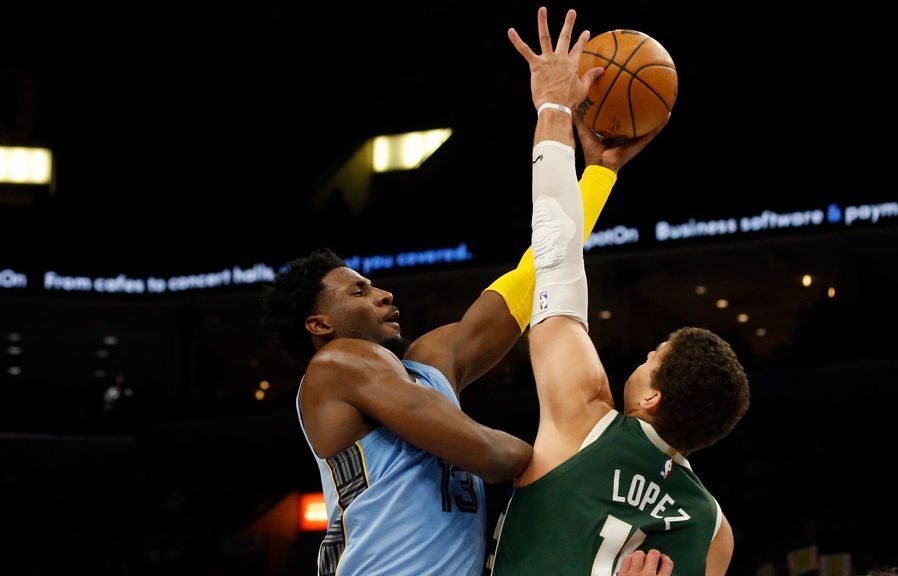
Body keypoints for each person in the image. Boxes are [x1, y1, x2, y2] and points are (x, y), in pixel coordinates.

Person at [260, 31, 657, 576]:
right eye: (359, 291)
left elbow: (535, 273)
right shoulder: (336, 366)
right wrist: (569, 457)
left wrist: (597, 172)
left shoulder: (429, 364)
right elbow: (489, 455)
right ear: (319, 324)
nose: (383, 293)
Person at [490, 7, 750, 576]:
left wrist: (554, 108)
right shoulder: (714, 531)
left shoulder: (584, 418)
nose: (642, 357)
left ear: (651, 399)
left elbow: (555, 255)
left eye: (652, 358)